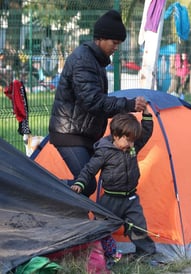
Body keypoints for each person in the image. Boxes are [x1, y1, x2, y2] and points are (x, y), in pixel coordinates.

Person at [49, 10, 147, 197]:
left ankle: (73, 218)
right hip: (69, 134)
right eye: (114, 43)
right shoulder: (84, 60)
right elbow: (92, 101)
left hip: (81, 133)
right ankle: (40, 190)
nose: (116, 47)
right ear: (101, 38)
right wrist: (129, 105)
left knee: (85, 185)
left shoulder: (95, 61)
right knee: (86, 185)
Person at [71, 111, 156, 260]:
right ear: (116, 136)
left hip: (131, 198)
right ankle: (93, 253)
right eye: (128, 140)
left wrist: (147, 117)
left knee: (138, 226)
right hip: (111, 199)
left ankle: (146, 254)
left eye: (133, 141)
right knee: (100, 226)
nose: (131, 145)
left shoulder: (132, 147)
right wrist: (80, 183)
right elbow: (89, 169)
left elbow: (145, 134)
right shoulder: (104, 152)